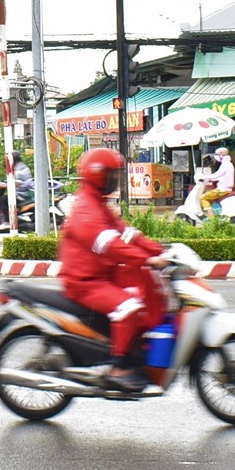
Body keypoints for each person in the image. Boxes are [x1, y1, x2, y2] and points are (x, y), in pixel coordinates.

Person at [58, 148, 168, 394]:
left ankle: (135, 354)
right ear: (99, 176)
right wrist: (147, 261)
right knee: (128, 307)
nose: (116, 181)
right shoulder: (87, 209)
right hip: (84, 282)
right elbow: (111, 246)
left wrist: (159, 250)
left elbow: (126, 233)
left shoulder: (99, 204)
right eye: (113, 175)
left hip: (103, 276)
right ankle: (118, 368)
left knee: (144, 299)